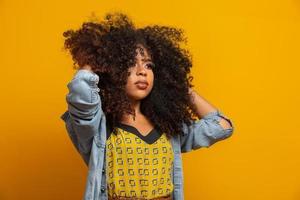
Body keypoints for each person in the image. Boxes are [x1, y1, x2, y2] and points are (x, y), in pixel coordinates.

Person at [60, 12, 234, 200]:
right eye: (130, 64)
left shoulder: (169, 128)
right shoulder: (97, 126)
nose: (142, 72)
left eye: (149, 65)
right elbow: (80, 90)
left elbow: (222, 126)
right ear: (112, 70)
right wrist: (95, 59)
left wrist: (179, 87)